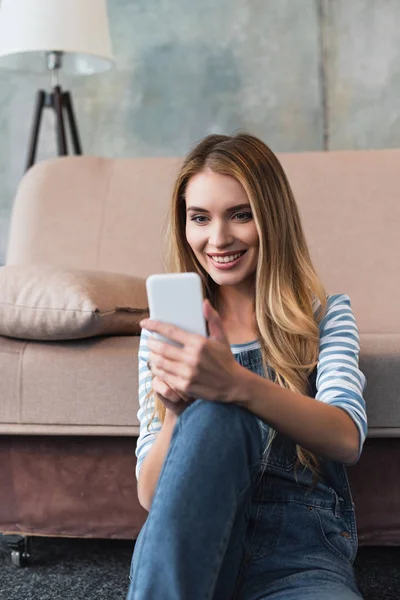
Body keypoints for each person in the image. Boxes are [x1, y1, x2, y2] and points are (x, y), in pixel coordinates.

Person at [126, 133, 367, 600]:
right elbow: (154, 498)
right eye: (200, 218)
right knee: (214, 415)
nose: (218, 239)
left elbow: (345, 437)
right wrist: (178, 413)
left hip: (299, 557)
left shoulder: (324, 316)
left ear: (271, 218)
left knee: (224, 404)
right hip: (194, 552)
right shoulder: (168, 334)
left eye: (241, 214)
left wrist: (236, 382)